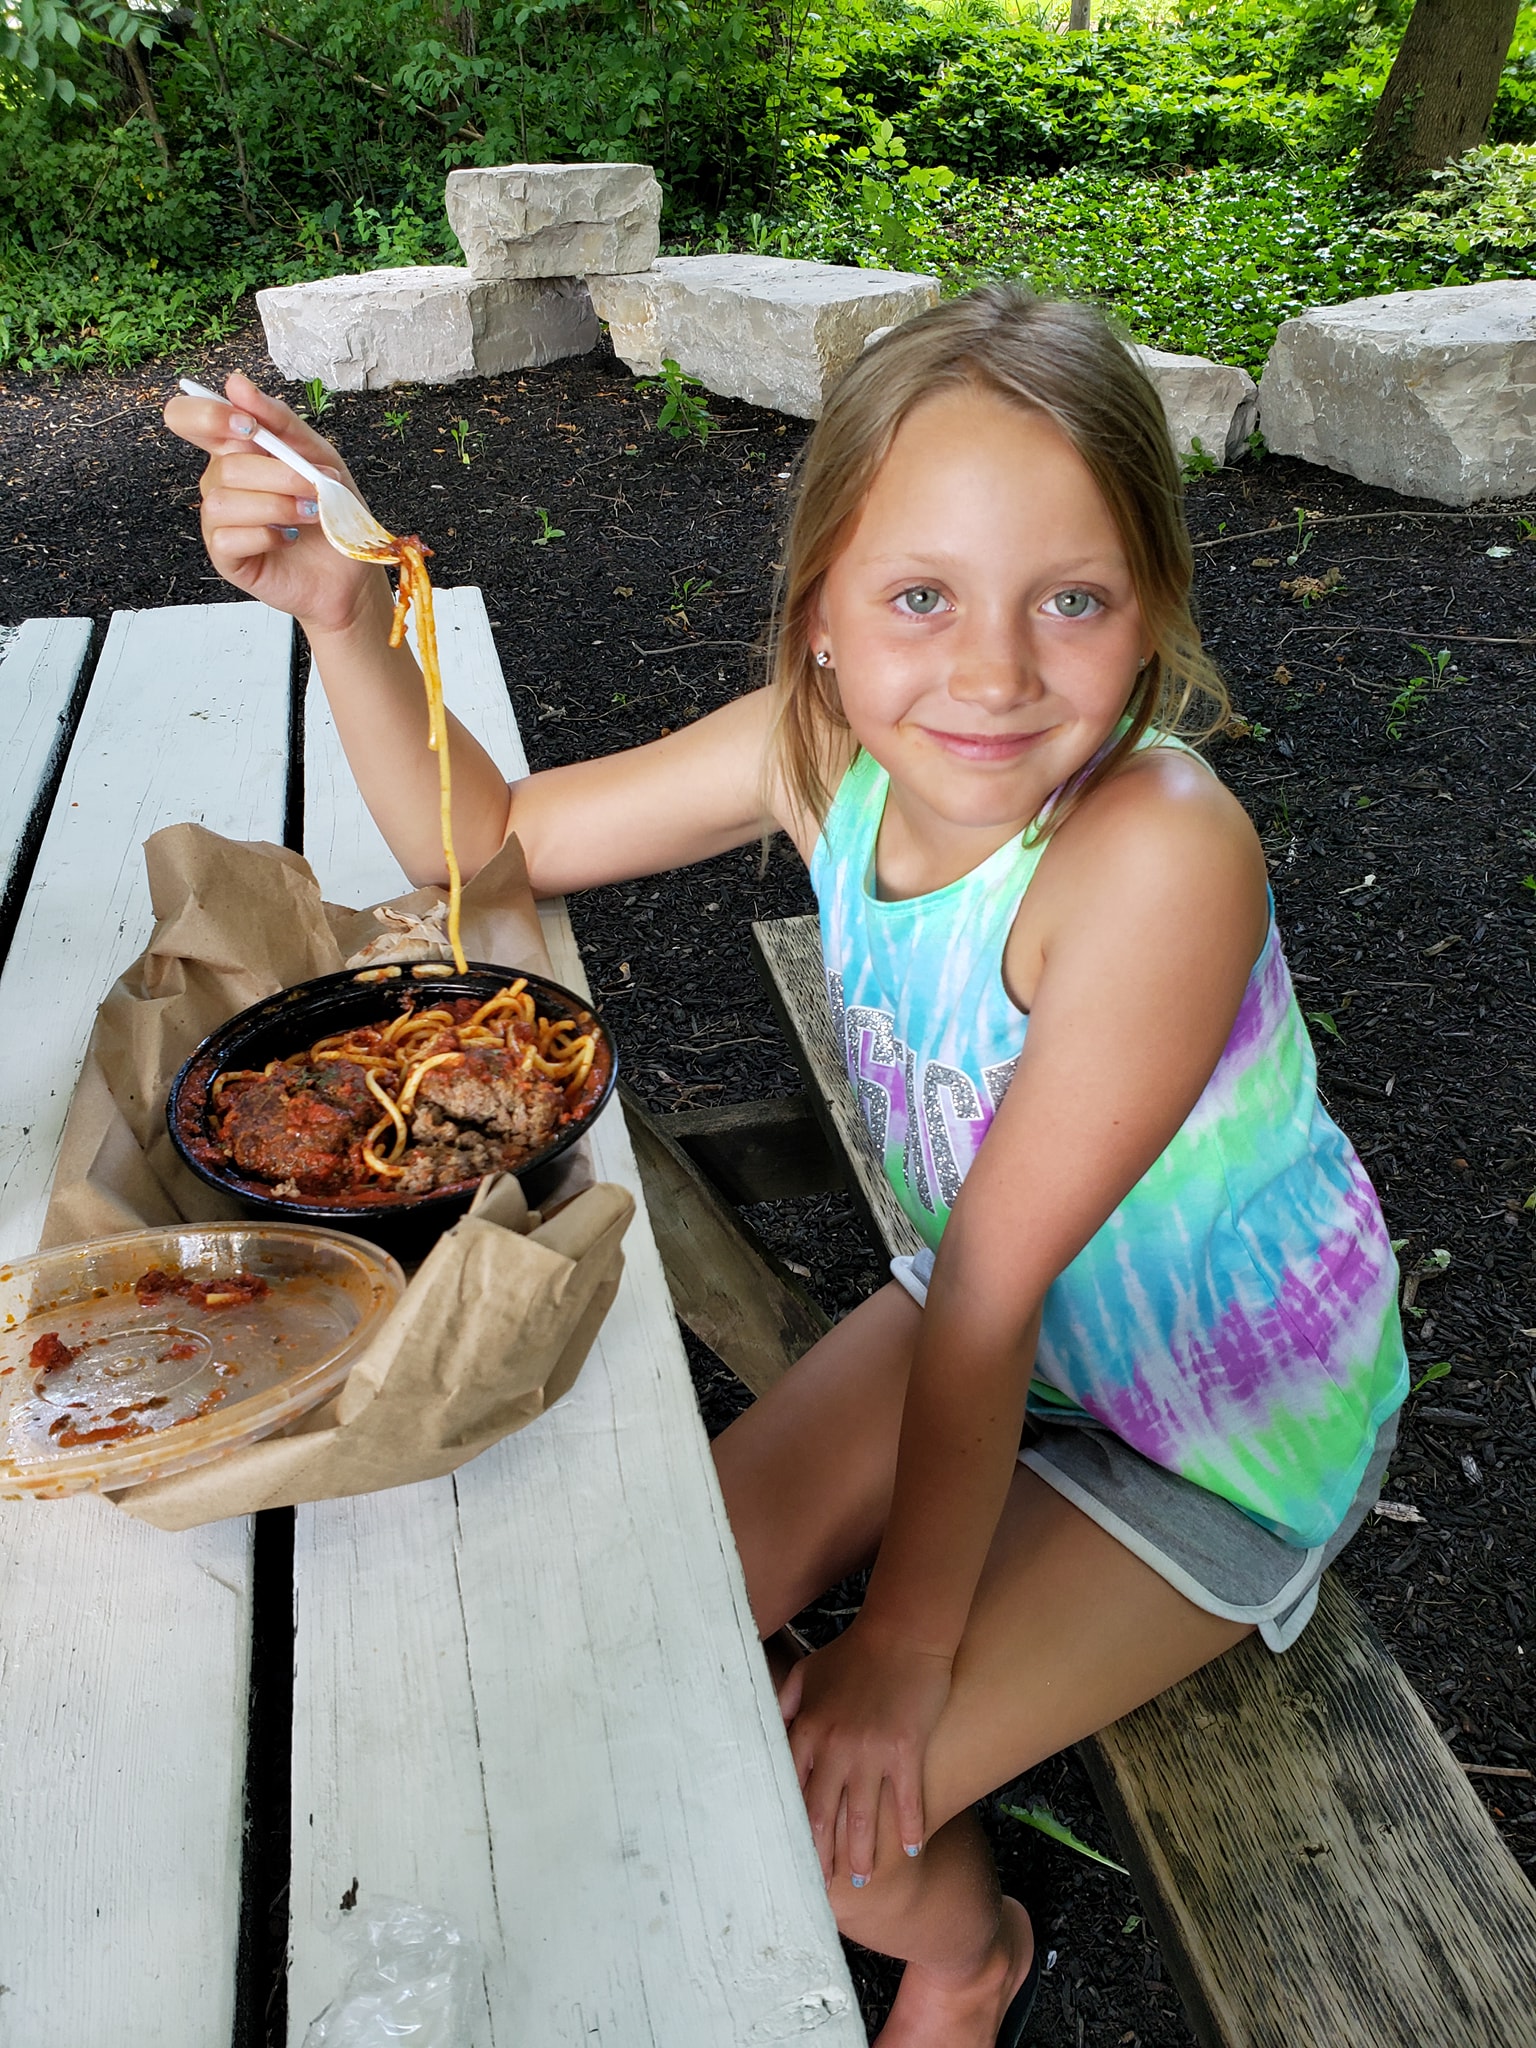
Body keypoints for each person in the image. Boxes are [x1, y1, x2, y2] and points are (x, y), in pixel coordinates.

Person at [166, 286, 1408, 2047]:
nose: (992, 673)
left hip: (1220, 1428)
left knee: (798, 1793)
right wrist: (345, 614)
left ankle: (966, 1954)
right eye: (920, 597)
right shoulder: (818, 749)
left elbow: (993, 1292)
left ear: (1151, 608)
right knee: (657, 1634)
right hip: (987, 1312)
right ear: (820, 610)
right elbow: (491, 839)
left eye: (1071, 598)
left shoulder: (1158, 857)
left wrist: (901, 1652)